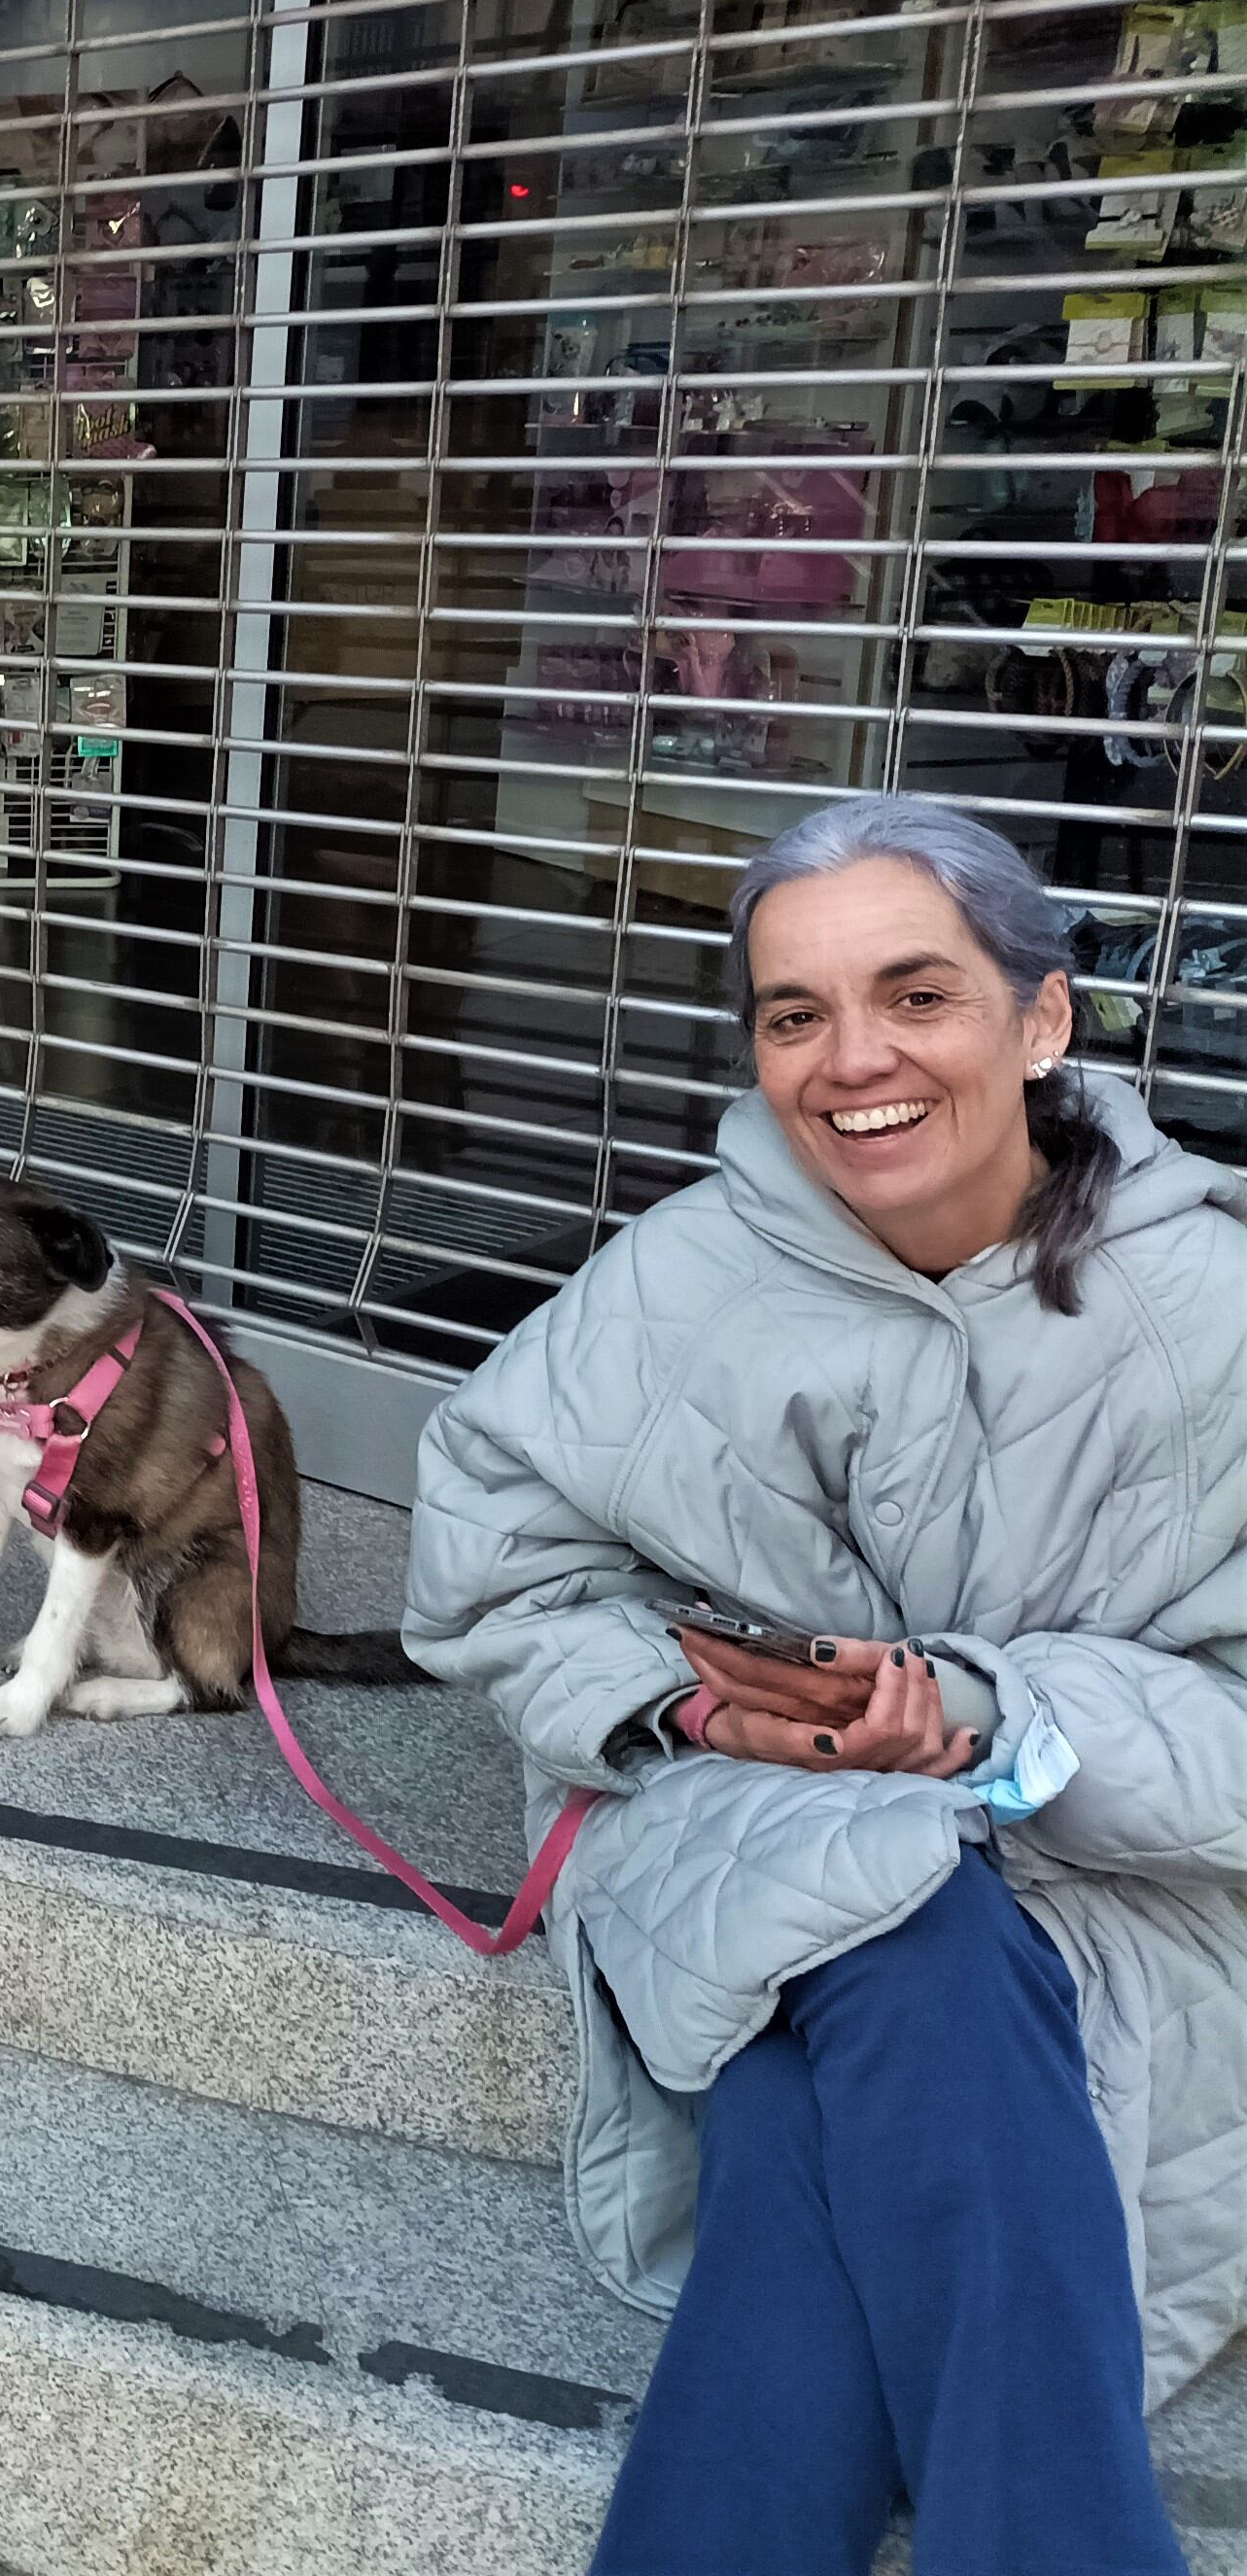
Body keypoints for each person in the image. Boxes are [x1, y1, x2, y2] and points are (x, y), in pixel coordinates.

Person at [406, 793, 1241, 2575]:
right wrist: (696, 1706)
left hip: (1116, 1864)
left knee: (839, 2047)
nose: (851, 1059)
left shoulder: (1217, 1313)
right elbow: (492, 1561)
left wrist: (996, 1708)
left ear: (1042, 1017)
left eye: (916, 994)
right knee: (883, 1914)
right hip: (738, 1807)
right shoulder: (685, 1275)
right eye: (794, 1013)